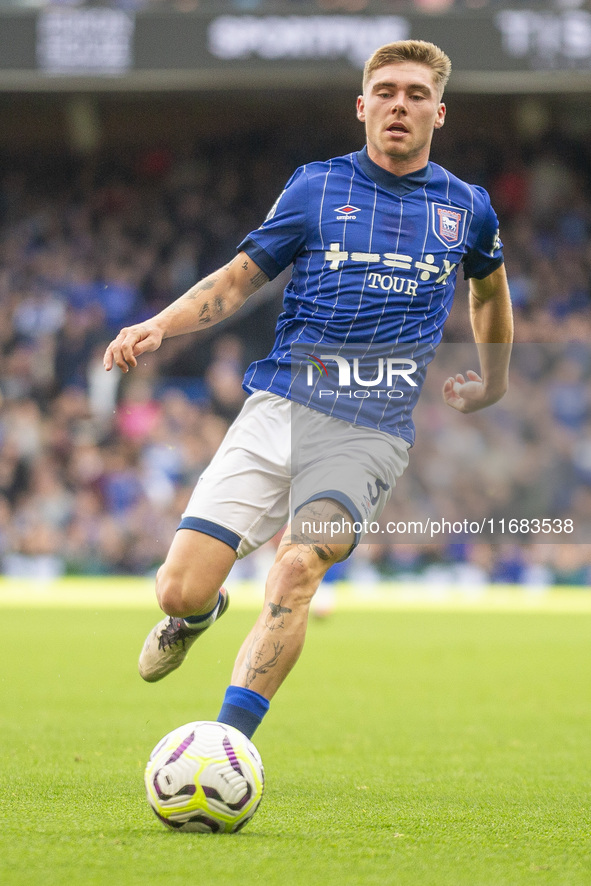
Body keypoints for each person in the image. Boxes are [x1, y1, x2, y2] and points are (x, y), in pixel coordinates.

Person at [103, 40, 513, 740]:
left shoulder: (466, 208)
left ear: (437, 113)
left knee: (295, 569)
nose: (398, 105)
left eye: (416, 94)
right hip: (279, 409)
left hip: (368, 428)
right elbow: (237, 279)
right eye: (385, 90)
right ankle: (198, 616)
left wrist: (493, 381)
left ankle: (228, 745)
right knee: (178, 587)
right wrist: (159, 326)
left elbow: (487, 293)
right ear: (361, 106)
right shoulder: (315, 187)